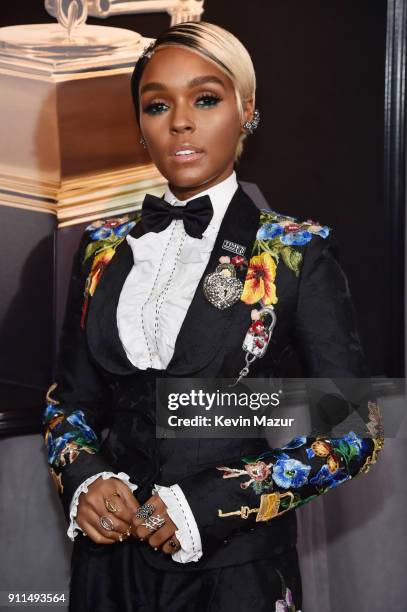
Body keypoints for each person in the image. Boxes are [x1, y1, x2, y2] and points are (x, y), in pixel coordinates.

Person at [42, 21, 383, 612]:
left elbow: (356, 431)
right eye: (156, 105)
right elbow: (69, 401)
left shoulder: (295, 251)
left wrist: (212, 504)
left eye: (205, 98)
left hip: (235, 572)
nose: (180, 121)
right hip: (107, 571)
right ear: (141, 126)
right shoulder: (100, 248)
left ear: (246, 110)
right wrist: (85, 477)